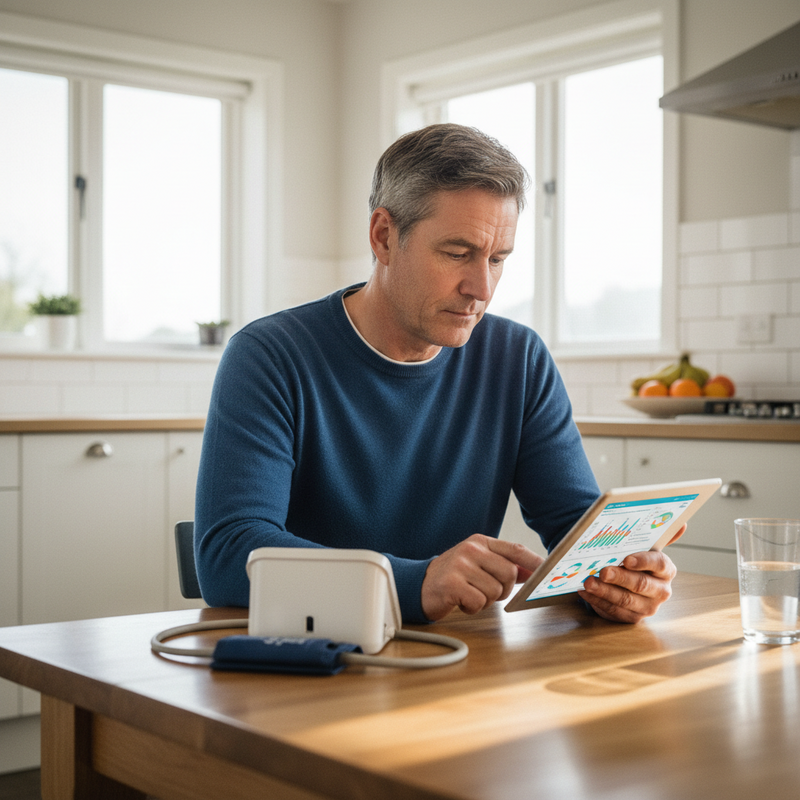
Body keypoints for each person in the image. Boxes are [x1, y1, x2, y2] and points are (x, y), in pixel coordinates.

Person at [195, 123, 680, 626]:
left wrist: (622, 575)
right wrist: (414, 581)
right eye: (457, 254)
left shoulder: (519, 358)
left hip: (460, 662)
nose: (482, 287)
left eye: (497, 259)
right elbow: (228, 555)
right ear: (384, 236)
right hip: (309, 655)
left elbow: (575, 527)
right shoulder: (269, 356)